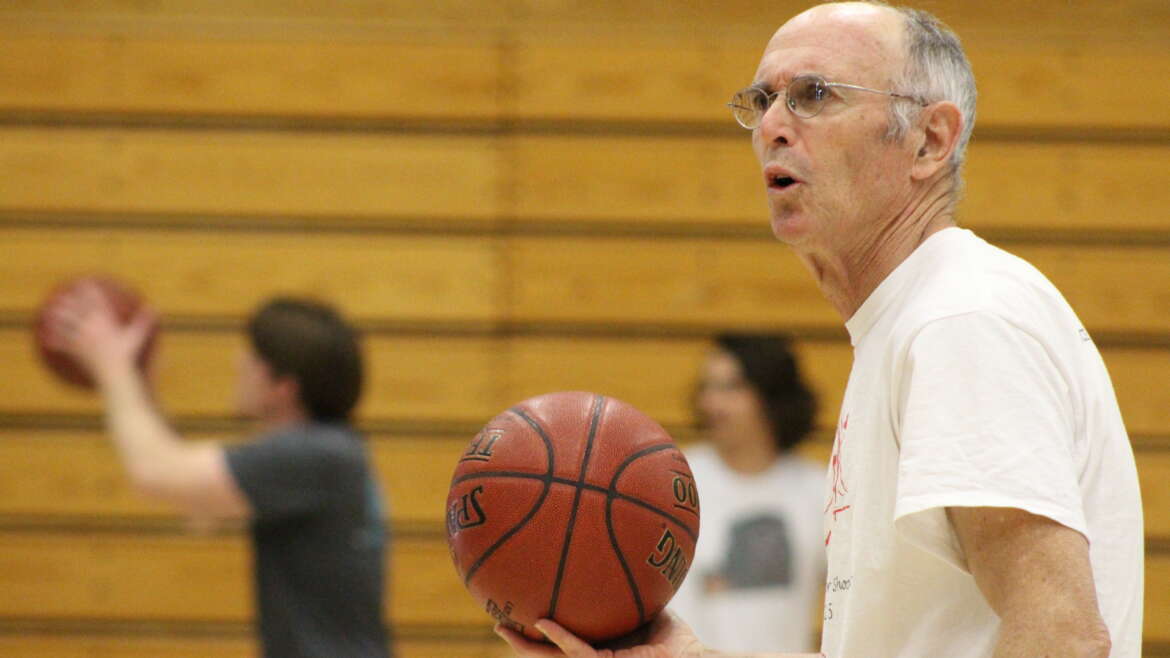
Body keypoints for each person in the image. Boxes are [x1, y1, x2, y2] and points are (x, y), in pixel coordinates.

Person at [497, 2, 1144, 656]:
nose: (772, 125)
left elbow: (1061, 635)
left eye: (813, 95)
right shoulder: (912, 323)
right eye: (762, 100)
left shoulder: (960, 319)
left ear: (930, 140)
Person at [44, 291, 393, 658]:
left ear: (283, 387)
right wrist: (138, 384)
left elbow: (156, 472)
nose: (238, 362)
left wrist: (111, 367)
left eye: (253, 357)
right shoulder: (331, 453)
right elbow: (198, 505)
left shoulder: (313, 455)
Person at [669, 333, 825, 652]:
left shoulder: (818, 490)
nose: (712, 403)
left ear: (771, 397)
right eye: (708, 387)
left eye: (731, 387)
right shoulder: (673, 481)